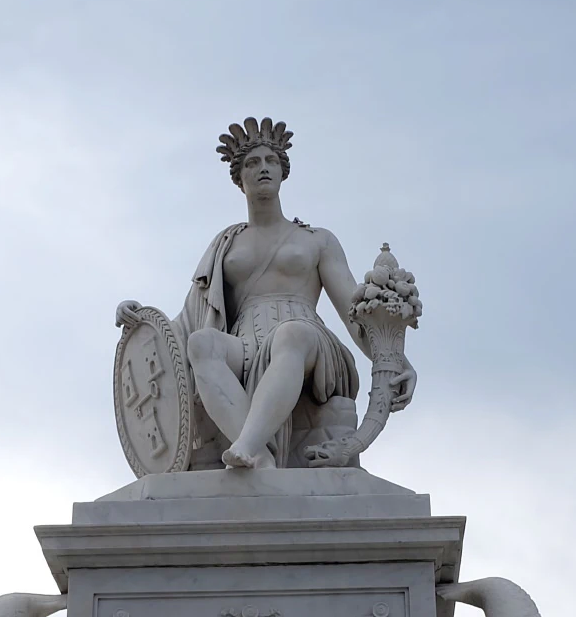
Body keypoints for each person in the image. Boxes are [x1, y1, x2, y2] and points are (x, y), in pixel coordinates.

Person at [164, 116, 415, 470]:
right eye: (252, 163)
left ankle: (247, 445)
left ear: (283, 172)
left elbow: (355, 313)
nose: (263, 168)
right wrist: (142, 324)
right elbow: (190, 317)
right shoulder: (226, 244)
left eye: (271, 161)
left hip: (309, 342)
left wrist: (395, 361)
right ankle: (260, 459)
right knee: (202, 343)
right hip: (246, 345)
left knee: (291, 335)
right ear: (239, 178)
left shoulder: (317, 240)